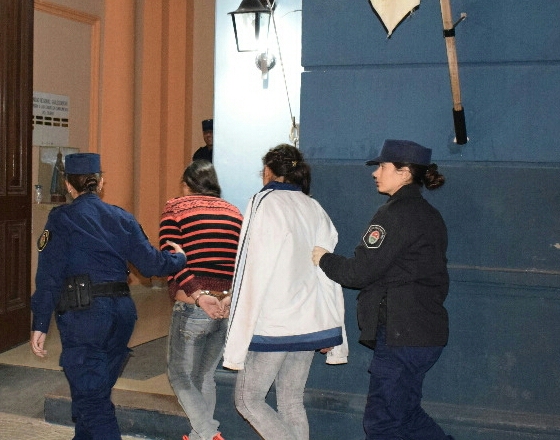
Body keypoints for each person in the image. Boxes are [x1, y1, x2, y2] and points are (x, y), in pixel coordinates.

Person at [30, 152, 187, 440]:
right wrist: (178, 258)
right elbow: (152, 265)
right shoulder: (122, 217)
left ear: (68, 185)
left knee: (93, 401)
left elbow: (49, 276)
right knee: (93, 392)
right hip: (122, 315)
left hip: (84, 316)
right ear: (100, 182)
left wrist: (40, 322)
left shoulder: (61, 218)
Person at [312, 139, 455, 440]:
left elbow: (359, 272)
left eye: (382, 166)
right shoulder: (431, 215)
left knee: (382, 424)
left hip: (400, 335)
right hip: (425, 334)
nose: (375, 173)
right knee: (406, 416)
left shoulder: (393, 215)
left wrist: (323, 258)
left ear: (404, 172)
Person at [223, 144, 348, 440]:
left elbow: (250, 266)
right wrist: (333, 326)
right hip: (309, 321)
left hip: (273, 323)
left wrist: (238, 328)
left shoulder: (264, 201)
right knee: (291, 402)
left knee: (248, 400)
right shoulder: (313, 207)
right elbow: (326, 271)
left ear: (268, 171)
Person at [159, 160, 243, 440]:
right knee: (205, 376)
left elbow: (172, 258)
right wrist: (228, 296)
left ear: (186, 185)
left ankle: (208, 433)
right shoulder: (234, 212)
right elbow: (242, 262)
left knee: (179, 375)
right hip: (224, 308)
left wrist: (198, 295)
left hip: (192, 306)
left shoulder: (176, 208)